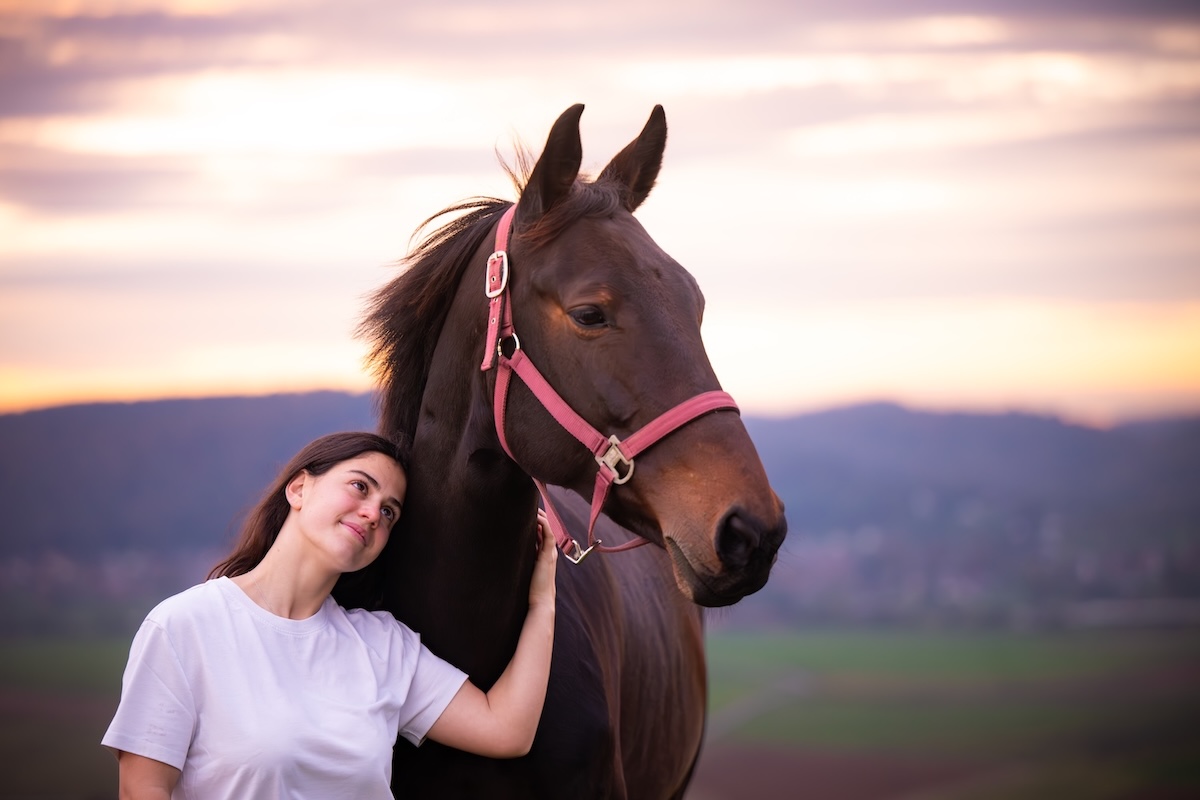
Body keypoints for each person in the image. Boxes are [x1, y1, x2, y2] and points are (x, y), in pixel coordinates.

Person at [101, 431, 557, 799]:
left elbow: (507, 729)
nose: (374, 513)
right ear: (299, 488)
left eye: (390, 511)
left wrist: (543, 600)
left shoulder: (382, 647)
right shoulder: (185, 626)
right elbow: (143, 788)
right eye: (361, 486)